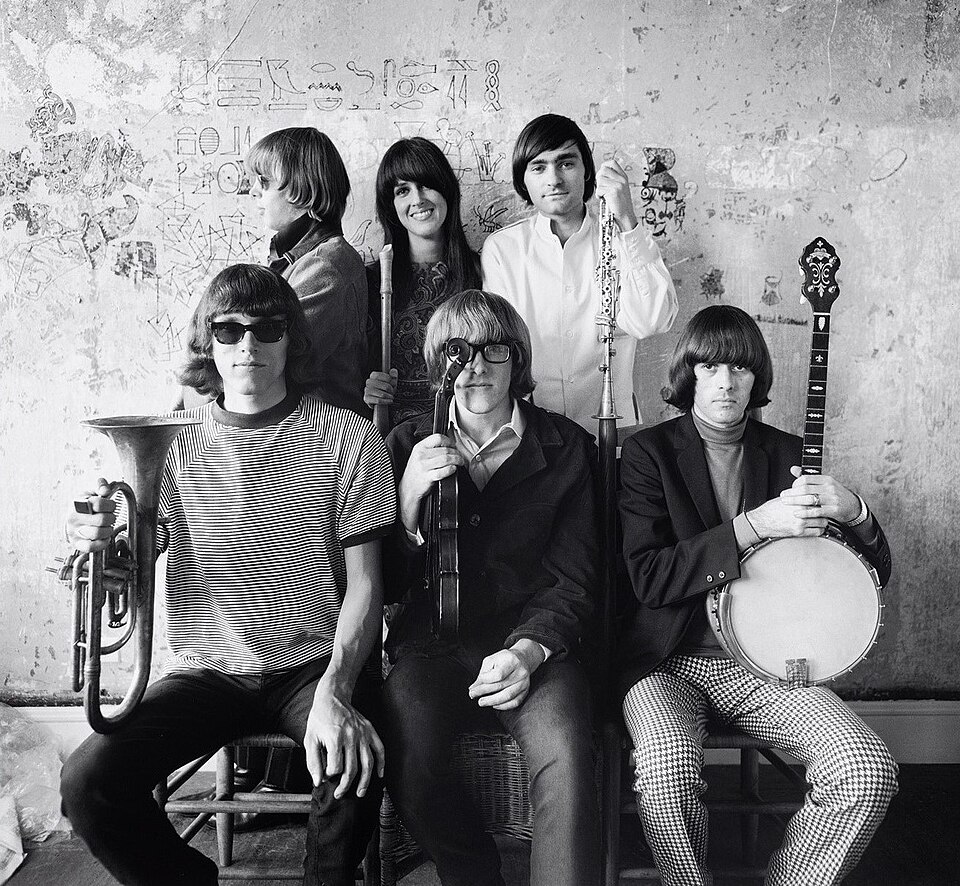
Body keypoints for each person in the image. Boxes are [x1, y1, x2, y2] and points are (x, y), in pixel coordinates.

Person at [59, 264, 397, 886]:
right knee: (86, 784)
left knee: (354, 769)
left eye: (268, 329)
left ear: (291, 339)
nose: (248, 344)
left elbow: (366, 585)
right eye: (229, 329)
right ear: (207, 343)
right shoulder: (171, 441)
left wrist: (337, 689)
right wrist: (97, 549)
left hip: (312, 666)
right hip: (206, 672)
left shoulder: (352, 436)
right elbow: (132, 572)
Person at [616, 305, 898, 886]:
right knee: (667, 770)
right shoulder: (647, 454)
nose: (726, 381)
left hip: (766, 666)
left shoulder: (791, 453)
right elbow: (649, 577)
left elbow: (868, 577)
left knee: (866, 769)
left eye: (740, 368)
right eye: (711, 366)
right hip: (666, 661)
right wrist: (755, 525)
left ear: (756, 378)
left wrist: (855, 512)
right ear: (689, 373)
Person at [380, 290, 601, 886]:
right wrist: (407, 501)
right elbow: (384, 584)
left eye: (494, 350)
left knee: (567, 759)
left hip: (537, 647)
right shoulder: (401, 445)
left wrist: (528, 652)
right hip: (432, 647)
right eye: (459, 351)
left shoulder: (568, 446)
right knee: (408, 756)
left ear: (516, 360)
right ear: (439, 363)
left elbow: (576, 579)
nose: (476, 366)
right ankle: (474, 874)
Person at [481, 112, 678, 434]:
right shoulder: (503, 250)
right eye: (539, 167)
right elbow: (501, 349)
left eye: (566, 163)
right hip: (532, 435)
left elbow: (651, 321)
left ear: (587, 171)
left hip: (612, 432)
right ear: (523, 180)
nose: (554, 179)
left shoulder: (623, 240)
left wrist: (627, 219)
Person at [246, 126, 368, 415]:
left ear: (303, 190)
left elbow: (263, 363)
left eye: (264, 182)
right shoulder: (297, 260)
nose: (253, 191)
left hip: (320, 434)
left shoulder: (326, 266)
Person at [364, 136, 482, 429]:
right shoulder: (370, 282)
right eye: (403, 190)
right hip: (393, 439)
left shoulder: (484, 271)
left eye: (426, 184)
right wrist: (368, 390)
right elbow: (351, 373)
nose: (417, 199)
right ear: (391, 206)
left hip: (469, 432)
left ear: (447, 191)